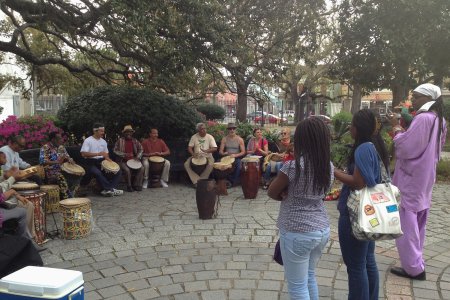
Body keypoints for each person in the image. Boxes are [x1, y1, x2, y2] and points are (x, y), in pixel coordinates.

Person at [268, 117, 333, 299]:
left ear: (302, 140)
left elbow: (272, 192)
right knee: (310, 276)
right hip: (321, 229)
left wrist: (284, 193)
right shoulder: (328, 167)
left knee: (297, 287)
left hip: (297, 232)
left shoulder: (292, 167)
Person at [389, 83, 446, 281]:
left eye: (416, 96)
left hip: (412, 177)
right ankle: (415, 259)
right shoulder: (439, 118)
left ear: (427, 98)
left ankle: (413, 267)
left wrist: (397, 131)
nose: (412, 99)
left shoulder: (423, 119)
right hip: (425, 175)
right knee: (419, 218)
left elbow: (407, 148)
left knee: (407, 222)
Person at [334, 109, 390, 300]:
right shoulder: (376, 145)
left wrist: (335, 172)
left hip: (356, 213)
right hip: (370, 212)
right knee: (367, 261)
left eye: (352, 124)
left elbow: (359, 182)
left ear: (357, 128)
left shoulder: (363, 148)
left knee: (356, 266)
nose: (350, 127)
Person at [0, 151, 46, 252]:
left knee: (28, 205)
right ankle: (26, 242)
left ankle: (30, 238)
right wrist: (12, 180)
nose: (6, 160)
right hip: (3, 203)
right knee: (24, 210)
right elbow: (2, 191)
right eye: (3, 158)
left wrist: (6, 176)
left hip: (5, 197)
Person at [79, 123, 123, 197]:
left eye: (103, 131)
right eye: (101, 131)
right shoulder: (88, 140)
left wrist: (111, 162)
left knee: (118, 171)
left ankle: (108, 189)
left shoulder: (103, 141)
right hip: (90, 162)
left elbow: (106, 155)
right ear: (95, 131)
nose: (103, 133)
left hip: (101, 162)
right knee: (98, 173)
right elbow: (83, 154)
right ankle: (110, 189)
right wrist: (98, 154)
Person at [39, 132, 77, 199]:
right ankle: (67, 198)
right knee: (60, 176)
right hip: (51, 172)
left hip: (62, 169)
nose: (61, 140)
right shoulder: (45, 147)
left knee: (75, 174)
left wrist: (70, 160)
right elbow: (42, 161)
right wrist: (56, 162)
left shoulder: (61, 147)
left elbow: (67, 157)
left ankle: (71, 194)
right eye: (59, 138)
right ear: (53, 139)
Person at [184, 123, 217, 188]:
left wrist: (206, 151)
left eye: (205, 128)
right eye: (202, 129)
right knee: (186, 164)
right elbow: (189, 148)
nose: (204, 130)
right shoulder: (194, 137)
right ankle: (196, 180)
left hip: (207, 155)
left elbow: (215, 148)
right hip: (196, 155)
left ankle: (201, 181)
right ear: (198, 130)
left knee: (211, 164)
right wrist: (193, 154)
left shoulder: (210, 137)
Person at [113, 125, 144, 192]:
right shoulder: (120, 141)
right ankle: (129, 186)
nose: (128, 133)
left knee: (142, 168)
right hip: (122, 161)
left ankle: (136, 185)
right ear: (124, 133)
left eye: (130, 132)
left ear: (132, 133)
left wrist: (138, 157)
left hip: (133, 160)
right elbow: (115, 150)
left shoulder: (135, 141)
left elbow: (141, 149)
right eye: (127, 132)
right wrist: (124, 154)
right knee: (127, 170)